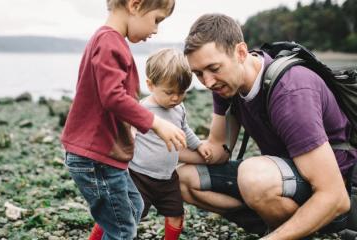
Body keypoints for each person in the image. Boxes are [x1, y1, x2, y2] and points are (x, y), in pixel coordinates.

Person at [177, 13, 357, 239]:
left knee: (253, 177)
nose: (208, 82)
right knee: (182, 180)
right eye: (199, 74)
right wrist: (152, 149)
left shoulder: (290, 91)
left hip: (334, 190)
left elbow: (336, 196)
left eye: (214, 68)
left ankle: (299, 230)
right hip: (282, 178)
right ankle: (281, 225)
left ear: (241, 52)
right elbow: (216, 150)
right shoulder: (225, 86)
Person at [60, 1, 188, 239]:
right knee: (122, 230)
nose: (156, 30)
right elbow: (112, 96)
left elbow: (107, 100)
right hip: (94, 158)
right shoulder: (109, 42)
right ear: (135, 5)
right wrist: (155, 122)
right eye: (157, 20)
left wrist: (126, 128)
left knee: (134, 207)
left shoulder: (110, 41)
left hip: (102, 157)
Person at [128, 48, 212, 240]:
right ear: (150, 85)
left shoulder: (178, 108)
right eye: (169, 92)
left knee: (176, 215)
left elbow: (185, 130)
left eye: (181, 92)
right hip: (139, 177)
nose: (175, 98)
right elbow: (128, 135)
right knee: (126, 217)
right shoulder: (142, 109)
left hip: (167, 177)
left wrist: (198, 145)